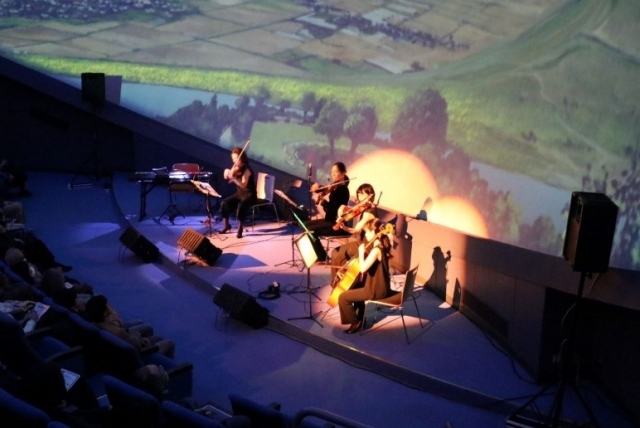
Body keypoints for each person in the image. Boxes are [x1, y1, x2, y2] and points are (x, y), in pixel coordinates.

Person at [337, 217, 392, 334]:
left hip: (376, 289)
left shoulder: (377, 250)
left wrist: (361, 253)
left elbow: (363, 268)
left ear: (374, 232)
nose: (365, 236)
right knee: (355, 288)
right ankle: (361, 318)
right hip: (381, 285)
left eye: (367, 232)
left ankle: (355, 321)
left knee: (343, 297)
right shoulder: (380, 244)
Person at [84, 294, 175, 358]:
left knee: (151, 331)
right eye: (108, 306)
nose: (109, 307)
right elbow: (136, 345)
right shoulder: (118, 331)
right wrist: (141, 339)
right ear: (104, 313)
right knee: (169, 343)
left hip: (123, 348)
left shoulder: (95, 324)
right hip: (139, 353)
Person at [330, 183, 378, 282]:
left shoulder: (370, 212)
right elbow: (355, 232)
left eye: (362, 194)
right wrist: (342, 213)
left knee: (337, 254)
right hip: (360, 242)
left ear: (370, 195)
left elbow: (356, 229)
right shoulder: (364, 208)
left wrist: (345, 227)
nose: (359, 197)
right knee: (336, 253)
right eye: (358, 194)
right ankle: (338, 280)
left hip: (366, 246)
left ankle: (337, 281)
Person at [304, 162, 351, 237]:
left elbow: (333, 211)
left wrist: (323, 202)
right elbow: (326, 189)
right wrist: (317, 188)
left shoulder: (343, 190)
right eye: (332, 172)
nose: (333, 174)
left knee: (309, 230)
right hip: (329, 219)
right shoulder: (335, 187)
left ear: (343, 173)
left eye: (336, 171)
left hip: (335, 222)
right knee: (305, 224)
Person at [219, 147, 257, 239]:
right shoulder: (236, 168)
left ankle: (240, 228)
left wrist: (234, 178)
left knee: (241, 205)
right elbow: (226, 177)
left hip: (250, 195)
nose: (235, 161)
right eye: (233, 159)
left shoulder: (247, 169)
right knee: (224, 203)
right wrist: (226, 172)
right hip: (240, 194)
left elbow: (243, 185)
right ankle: (226, 225)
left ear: (242, 158)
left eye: (237, 159)